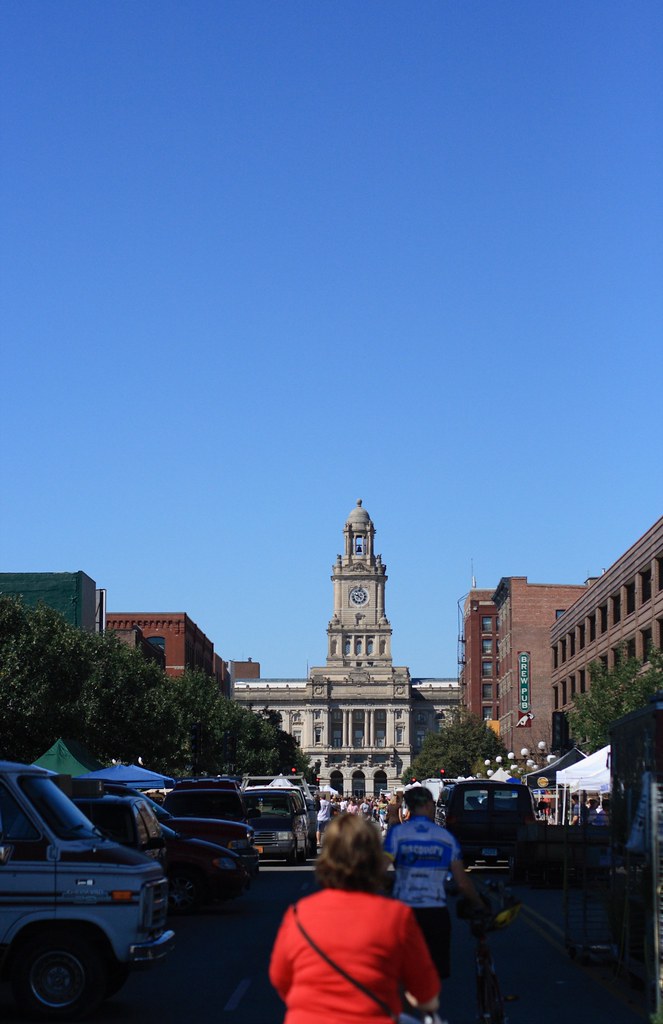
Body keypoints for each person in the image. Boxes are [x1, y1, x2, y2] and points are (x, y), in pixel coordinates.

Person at [269, 814, 441, 1024]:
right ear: (374, 859)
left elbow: (280, 978)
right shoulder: (396, 916)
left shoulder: (298, 915)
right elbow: (425, 990)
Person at [384, 785, 485, 980]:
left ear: (409, 807)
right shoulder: (445, 837)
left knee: (402, 971)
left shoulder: (396, 835)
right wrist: (478, 902)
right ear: (430, 805)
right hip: (434, 911)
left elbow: (378, 871)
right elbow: (462, 882)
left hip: (404, 911)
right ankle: (428, 1006)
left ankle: (406, 1006)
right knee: (433, 973)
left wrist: (390, 884)